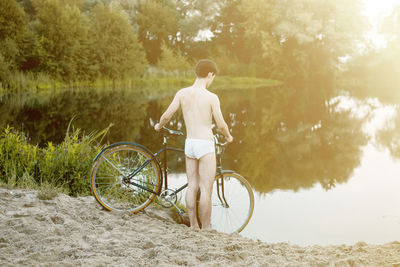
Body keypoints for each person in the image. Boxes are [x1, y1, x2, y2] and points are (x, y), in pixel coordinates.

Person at [154, 59, 233, 229]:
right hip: (205, 144)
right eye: (213, 77)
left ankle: (193, 225)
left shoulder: (182, 93)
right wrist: (228, 136)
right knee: (205, 189)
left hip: (189, 144)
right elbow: (220, 124)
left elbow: (167, 115)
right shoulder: (212, 97)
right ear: (210, 74)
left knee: (192, 186)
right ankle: (206, 228)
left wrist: (159, 126)